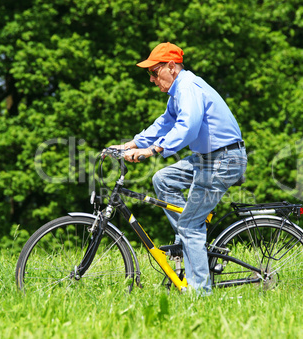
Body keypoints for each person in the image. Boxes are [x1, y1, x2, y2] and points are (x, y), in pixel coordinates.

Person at [113, 42, 247, 295]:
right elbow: (165, 123)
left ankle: (199, 293)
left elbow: (187, 127)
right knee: (163, 179)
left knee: (189, 225)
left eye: (154, 72)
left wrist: (153, 150)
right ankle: (189, 245)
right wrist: (132, 144)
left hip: (223, 160)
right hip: (210, 157)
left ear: (171, 67)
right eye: (149, 74)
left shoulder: (187, 87)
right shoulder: (178, 92)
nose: (152, 79)